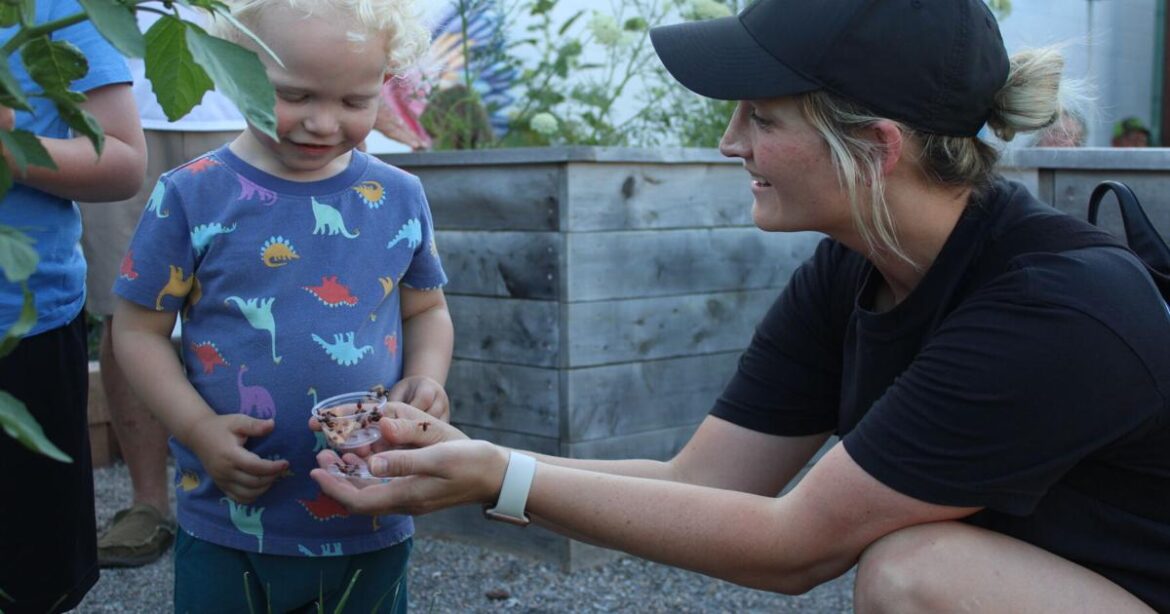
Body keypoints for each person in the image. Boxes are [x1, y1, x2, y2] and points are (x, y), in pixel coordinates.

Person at [311, 0, 1170, 612]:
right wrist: (479, 459)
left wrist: (499, 480)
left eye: (761, 116)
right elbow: (707, 483)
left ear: (876, 149)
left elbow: (796, 545)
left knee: (916, 575)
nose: (730, 142)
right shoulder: (857, 266)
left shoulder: (1054, 308)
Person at [110, 0, 451, 611]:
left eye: (354, 102)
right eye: (294, 95)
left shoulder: (399, 197)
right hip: (228, 514)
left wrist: (426, 378)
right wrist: (196, 429)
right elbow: (137, 330)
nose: (323, 123)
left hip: (370, 505)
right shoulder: (191, 195)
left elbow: (426, 310)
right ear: (235, 67)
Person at [79, 2, 246, 569]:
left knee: (254, 308)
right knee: (122, 309)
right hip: (113, 106)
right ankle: (148, 503)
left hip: (241, 98)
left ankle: (260, 483)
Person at [0, 1, 147, 611]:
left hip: (22, 324)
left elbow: (123, 160)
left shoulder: (58, 11)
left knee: (29, 564)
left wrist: (11, 149)